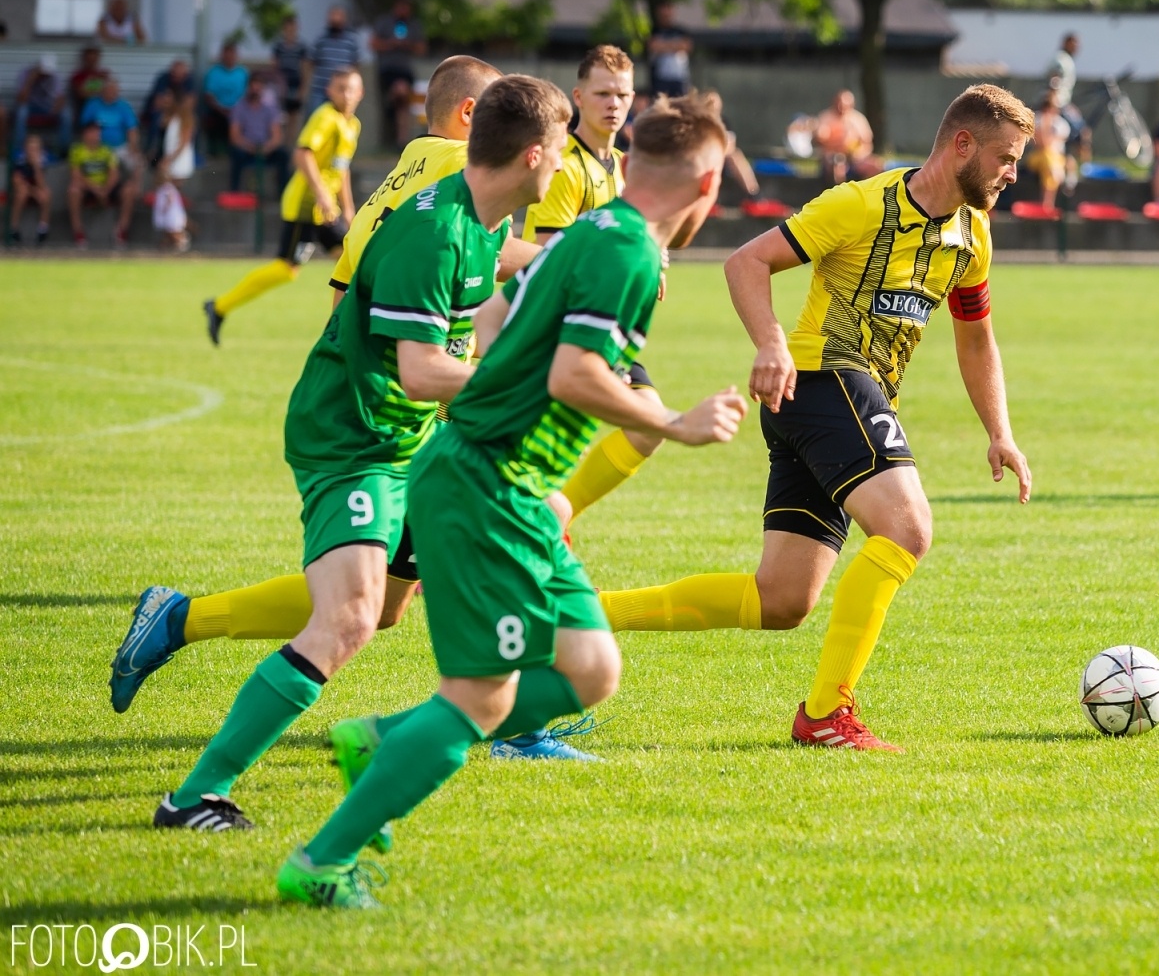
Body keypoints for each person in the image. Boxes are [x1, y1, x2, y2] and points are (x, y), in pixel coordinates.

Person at [276, 93, 746, 908]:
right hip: (485, 483)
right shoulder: (627, 251)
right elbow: (573, 375)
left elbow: (493, 322)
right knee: (483, 695)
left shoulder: (595, 233)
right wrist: (676, 420)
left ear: (630, 164)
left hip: (510, 484)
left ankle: (386, 739)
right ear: (706, 189)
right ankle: (320, 861)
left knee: (591, 667)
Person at [126, 75, 568, 842]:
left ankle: (184, 620)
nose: (563, 168)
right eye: (560, 153)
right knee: (350, 616)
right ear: (533, 154)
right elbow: (421, 369)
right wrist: (526, 385)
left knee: (397, 601)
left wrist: (569, 268)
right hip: (354, 435)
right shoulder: (435, 229)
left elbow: (495, 277)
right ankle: (196, 794)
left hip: (410, 438)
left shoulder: (484, 217)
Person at [598, 84, 1034, 751]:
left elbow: (976, 337)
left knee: (783, 599)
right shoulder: (861, 203)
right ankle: (828, 713)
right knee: (908, 526)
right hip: (826, 376)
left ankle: (579, 615)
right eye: (1006, 158)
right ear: (962, 144)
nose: (1013, 173)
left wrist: (999, 431)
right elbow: (747, 261)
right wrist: (771, 345)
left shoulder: (973, 235)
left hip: (841, 400)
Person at [492, 44, 656, 761]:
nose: (614, 104)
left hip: (591, 334)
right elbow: (540, 258)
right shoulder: (565, 170)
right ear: (577, 96)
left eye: (623, 94)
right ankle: (512, 721)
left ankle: (517, 714)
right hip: (559, 340)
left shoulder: (615, 166)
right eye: (601, 94)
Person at [203, 68, 362, 342]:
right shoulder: (326, 116)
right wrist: (323, 195)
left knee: (353, 259)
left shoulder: (353, 124)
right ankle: (218, 306)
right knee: (288, 269)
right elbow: (302, 154)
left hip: (326, 209)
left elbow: (342, 168)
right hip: (306, 205)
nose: (346, 95)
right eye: (340, 88)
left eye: (351, 89)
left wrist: (348, 209)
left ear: (361, 93)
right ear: (329, 91)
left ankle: (345, 331)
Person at [67, 122, 135, 250]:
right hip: (88, 188)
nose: (97, 134)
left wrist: (105, 190)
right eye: (93, 131)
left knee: (129, 189)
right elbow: (76, 175)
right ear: (85, 134)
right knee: (73, 190)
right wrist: (95, 189)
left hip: (106, 187)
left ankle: (121, 231)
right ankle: (79, 232)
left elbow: (114, 174)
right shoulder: (77, 150)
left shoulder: (107, 150)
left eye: (98, 131)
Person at [370, 0, 427, 148]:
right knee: (399, 98)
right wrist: (390, 44)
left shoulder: (414, 25)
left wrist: (407, 45)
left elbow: (421, 48)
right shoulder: (385, 22)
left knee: (403, 102)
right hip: (387, 70)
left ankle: (401, 140)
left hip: (405, 70)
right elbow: (373, 43)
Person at [228, 72, 288, 195]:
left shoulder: (270, 108)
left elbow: (277, 135)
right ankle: (234, 193)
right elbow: (234, 136)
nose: (255, 90)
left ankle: (282, 194)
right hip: (246, 148)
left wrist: (267, 147)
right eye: (253, 86)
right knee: (236, 154)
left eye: (258, 87)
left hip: (266, 149)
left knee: (283, 155)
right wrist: (249, 147)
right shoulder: (239, 107)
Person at [79, 77, 142, 186]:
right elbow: (85, 128)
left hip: (119, 146)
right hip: (97, 147)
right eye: (111, 91)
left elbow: (132, 129)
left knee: (138, 162)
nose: (114, 94)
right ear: (103, 91)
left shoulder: (124, 106)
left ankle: (135, 191)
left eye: (116, 91)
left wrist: (133, 147)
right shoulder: (92, 104)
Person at [814, 89, 879, 186]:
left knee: (876, 166)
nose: (841, 107)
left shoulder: (858, 119)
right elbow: (819, 140)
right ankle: (838, 196)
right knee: (837, 166)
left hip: (856, 157)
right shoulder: (826, 117)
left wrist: (858, 153)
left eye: (845, 104)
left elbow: (867, 142)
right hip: (834, 156)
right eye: (839, 104)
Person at [1024, 95, 1075, 209]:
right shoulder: (1037, 120)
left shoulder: (1062, 124)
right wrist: (1046, 124)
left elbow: (1055, 146)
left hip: (1056, 159)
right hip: (1038, 157)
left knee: (1051, 162)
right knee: (1048, 159)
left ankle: (1046, 205)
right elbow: (1043, 143)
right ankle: (1048, 204)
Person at [308, 7, 362, 110]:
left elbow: (356, 65)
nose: (336, 19)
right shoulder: (320, 39)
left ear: (344, 19)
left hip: (343, 92)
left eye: (339, 16)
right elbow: (311, 62)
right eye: (333, 16)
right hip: (320, 90)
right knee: (315, 119)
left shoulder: (351, 41)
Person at [201, 41, 249, 156]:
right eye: (227, 55)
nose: (229, 58)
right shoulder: (213, 73)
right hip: (218, 110)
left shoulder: (243, 73)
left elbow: (248, 94)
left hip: (239, 109)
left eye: (232, 55)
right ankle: (218, 152)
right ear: (222, 56)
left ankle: (241, 150)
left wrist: (237, 109)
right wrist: (221, 109)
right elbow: (208, 96)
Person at [13, 53, 67, 154]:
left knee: (66, 114)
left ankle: (63, 150)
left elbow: (60, 98)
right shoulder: (25, 73)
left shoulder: (55, 76)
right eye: (43, 72)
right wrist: (30, 80)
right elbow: (21, 100)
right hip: (30, 106)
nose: (45, 75)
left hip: (47, 106)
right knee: (21, 112)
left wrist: (57, 107)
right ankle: (19, 149)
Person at [7, 134, 51, 247]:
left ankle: (42, 229)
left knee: (46, 194)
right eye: (30, 148)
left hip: (35, 188)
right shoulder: (19, 160)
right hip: (22, 189)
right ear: (25, 149)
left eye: (36, 149)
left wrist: (36, 166)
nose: (32, 152)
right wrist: (33, 191)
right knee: (22, 193)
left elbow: (42, 184)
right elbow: (17, 181)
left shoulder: (42, 160)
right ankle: (13, 228)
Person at [271, 15, 309, 138]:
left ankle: (289, 148)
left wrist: (302, 90)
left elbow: (304, 69)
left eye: (292, 27)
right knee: (280, 118)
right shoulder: (278, 46)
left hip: (295, 85)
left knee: (293, 119)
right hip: (282, 85)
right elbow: (274, 67)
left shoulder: (301, 47)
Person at [646, 3, 693, 98]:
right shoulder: (655, 31)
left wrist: (664, 46)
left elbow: (687, 46)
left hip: (679, 78)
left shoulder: (680, 31)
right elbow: (653, 46)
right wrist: (675, 46)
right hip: (661, 78)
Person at [68, 46, 108, 128]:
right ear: (84, 59)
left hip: (103, 109)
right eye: (90, 59)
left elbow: (109, 94)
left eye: (94, 59)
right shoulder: (78, 76)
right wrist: (96, 83)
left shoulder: (103, 74)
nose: (92, 62)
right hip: (83, 109)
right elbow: (82, 94)